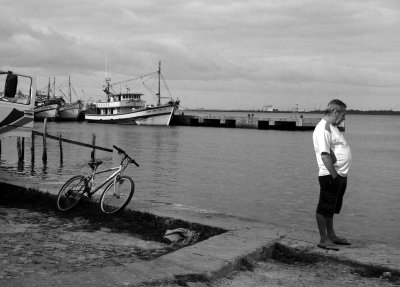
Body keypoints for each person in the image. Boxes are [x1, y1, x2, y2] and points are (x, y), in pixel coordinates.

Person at [312, 99, 352, 251]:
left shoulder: (333, 127)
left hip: (339, 175)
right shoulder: (324, 128)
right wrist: (334, 176)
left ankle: (332, 235)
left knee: (331, 207)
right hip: (330, 175)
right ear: (335, 112)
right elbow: (324, 155)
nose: (344, 118)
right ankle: (324, 239)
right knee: (324, 207)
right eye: (343, 114)